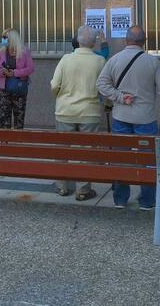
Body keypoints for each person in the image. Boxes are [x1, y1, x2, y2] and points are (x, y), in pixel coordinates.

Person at [97, 26, 160, 210]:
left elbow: (101, 84)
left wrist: (119, 97)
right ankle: (147, 201)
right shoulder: (153, 62)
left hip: (120, 117)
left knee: (121, 158)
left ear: (126, 40)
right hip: (145, 119)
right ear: (144, 42)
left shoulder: (115, 59)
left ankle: (120, 199)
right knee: (148, 160)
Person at [51, 25, 106, 201]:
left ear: (77, 40)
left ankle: (61, 186)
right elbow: (104, 87)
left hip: (65, 110)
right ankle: (83, 189)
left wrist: (60, 97)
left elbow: (54, 85)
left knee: (62, 150)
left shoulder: (66, 59)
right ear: (93, 43)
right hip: (90, 112)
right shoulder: (99, 61)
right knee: (86, 152)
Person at [0, 28, 35, 129]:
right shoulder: (1, 52)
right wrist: (3, 71)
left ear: (12, 38)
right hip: (4, 89)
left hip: (19, 88)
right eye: (3, 37)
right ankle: (4, 138)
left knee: (19, 119)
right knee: (4, 119)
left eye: (5, 37)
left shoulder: (24, 51)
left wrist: (14, 73)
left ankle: (18, 138)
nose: (3, 40)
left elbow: (30, 68)